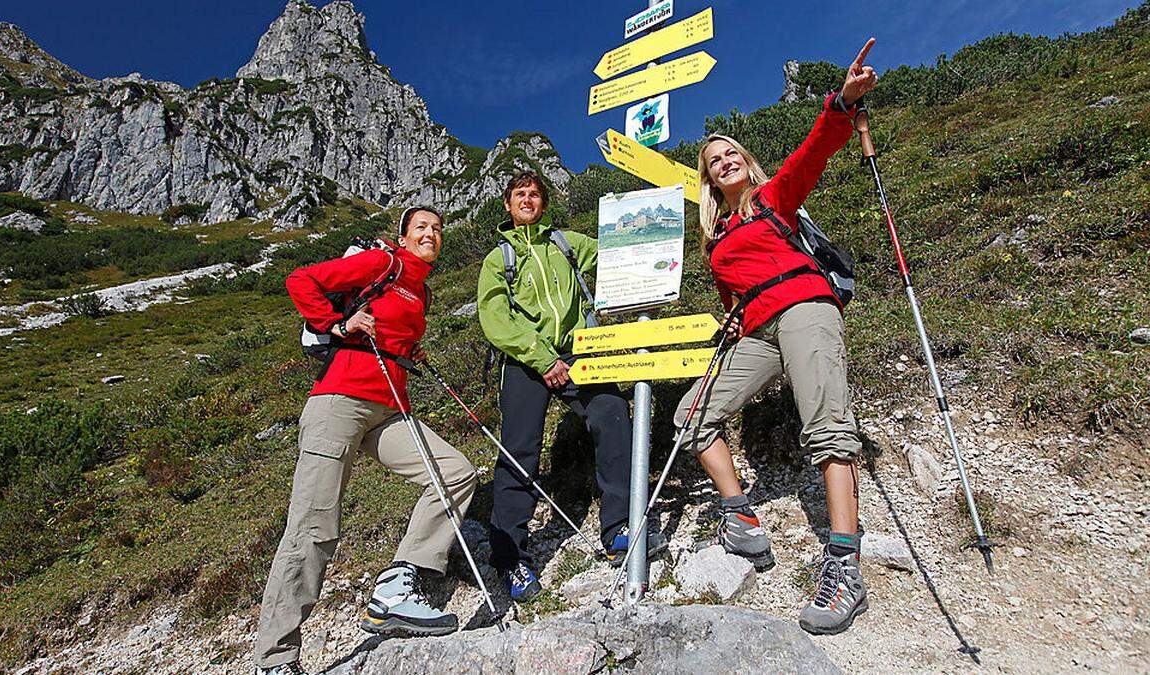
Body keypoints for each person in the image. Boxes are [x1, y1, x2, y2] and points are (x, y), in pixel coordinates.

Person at [672, 39, 879, 636]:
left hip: (807, 307)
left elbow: (812, 153)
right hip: (759, 330)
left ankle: (844, 564)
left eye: (731, 153)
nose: (724, 162)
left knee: (827, 427)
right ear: (708, 181)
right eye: (714, 161)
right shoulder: (715, 246)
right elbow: (733, 303)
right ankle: (741, 516)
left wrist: (841, 102)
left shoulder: (772, 200)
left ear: (745, 161)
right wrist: (733, 315)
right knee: (692, 415)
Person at [255, 207, 476, 675]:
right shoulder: (383, 264)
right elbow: (302, 280)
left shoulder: (424, 292)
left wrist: (407, 349)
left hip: (391, 407)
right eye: (421, 227)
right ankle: (274, 660)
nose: (431, 234)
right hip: (339, 399)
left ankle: (395, 588)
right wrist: (336, 323)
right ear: (403, 235)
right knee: (313, 529)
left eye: (437, 229)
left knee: (455, 473)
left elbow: (393, 329)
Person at [476, 172, 664, 603]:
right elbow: (496, 318)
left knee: (612, 414)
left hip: (581, 351)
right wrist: (543, 360)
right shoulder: (497, 259)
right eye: (520, 194)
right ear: (507, 204)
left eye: (535, 194)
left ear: (543, 204)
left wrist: (655, 224)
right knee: (519, 450)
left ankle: (619, 528)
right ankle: (511, 558)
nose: (528, 199)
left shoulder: (566, 242)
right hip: (526, 361)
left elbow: (614, 255)